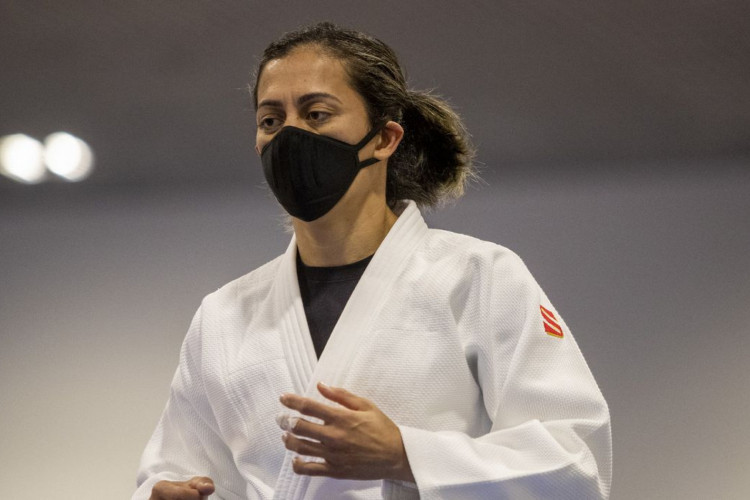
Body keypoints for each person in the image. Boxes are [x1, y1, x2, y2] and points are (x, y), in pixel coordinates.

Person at [134, 21, 612, 500]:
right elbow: (174, 471)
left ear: (384, 138)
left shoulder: (475, 277)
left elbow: (575, 465)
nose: (290, 136)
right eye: (270, 120)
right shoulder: (223, 316)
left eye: (317, 113)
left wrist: (406, 455)